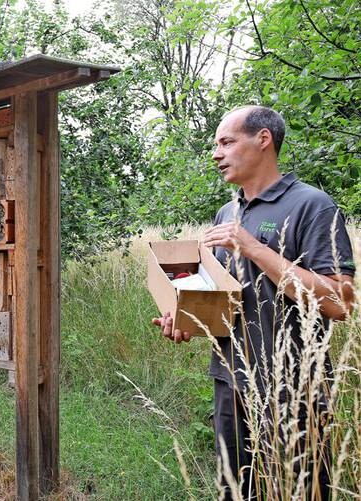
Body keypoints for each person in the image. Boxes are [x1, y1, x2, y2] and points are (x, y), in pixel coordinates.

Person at [152, 106, 355, 500]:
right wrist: (187, 320)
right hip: (232, 381)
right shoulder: (228, 211)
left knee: (299, 492)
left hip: (296, 388)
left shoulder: (313, 205)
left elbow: (339, 303)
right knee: (235, 491)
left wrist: (252, 246)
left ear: (263, 140)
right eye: (216, 145)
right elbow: (226, 300)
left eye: (226, 142)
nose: (216, 153)